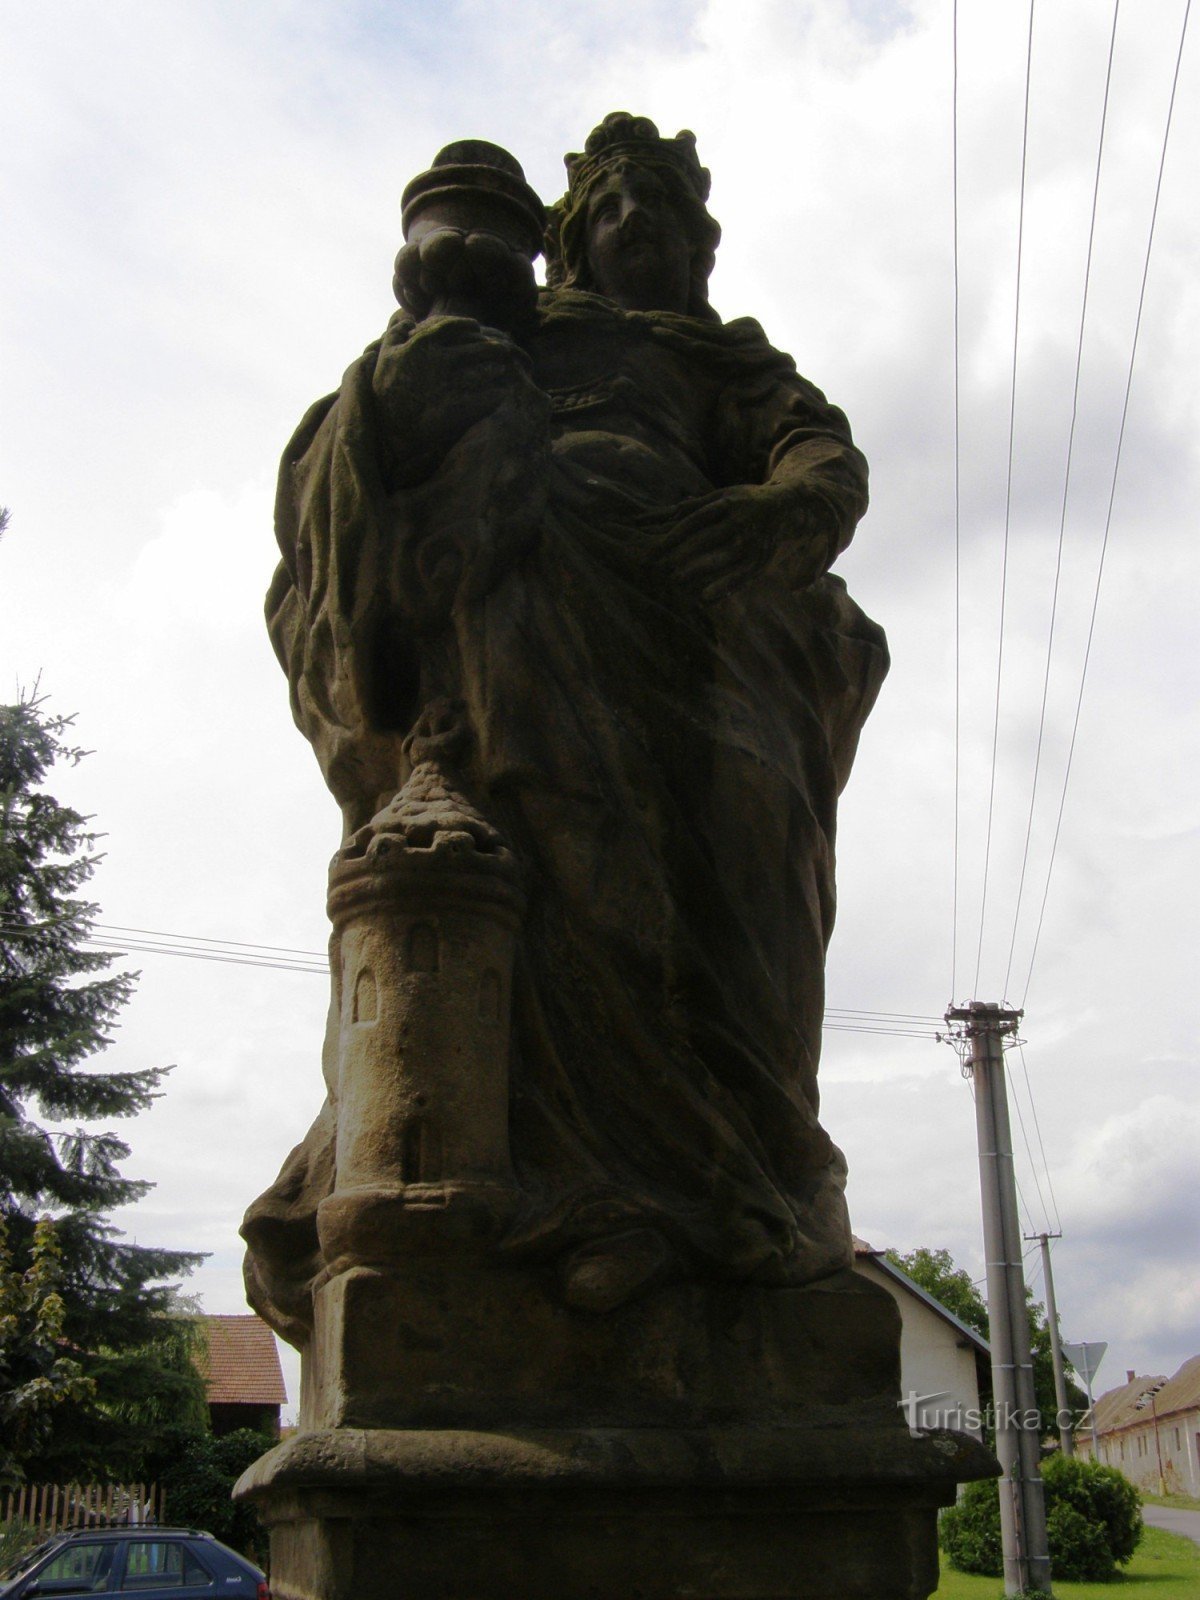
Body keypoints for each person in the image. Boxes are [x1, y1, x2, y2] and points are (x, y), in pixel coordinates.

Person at [243, 113, 888, 1334]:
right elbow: (386, 422)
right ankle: (603, 1198)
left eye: (659, 205)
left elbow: (822, 458)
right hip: (529, 591)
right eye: (611, 207)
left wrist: (771, 517)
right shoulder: (518, 333)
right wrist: (403, 379)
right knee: (534, 811)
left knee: (749, 836)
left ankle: (736, 1173)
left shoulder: (726, 360)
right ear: (571, 241)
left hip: (707, 613)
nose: (635, 223)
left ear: (699, 242)